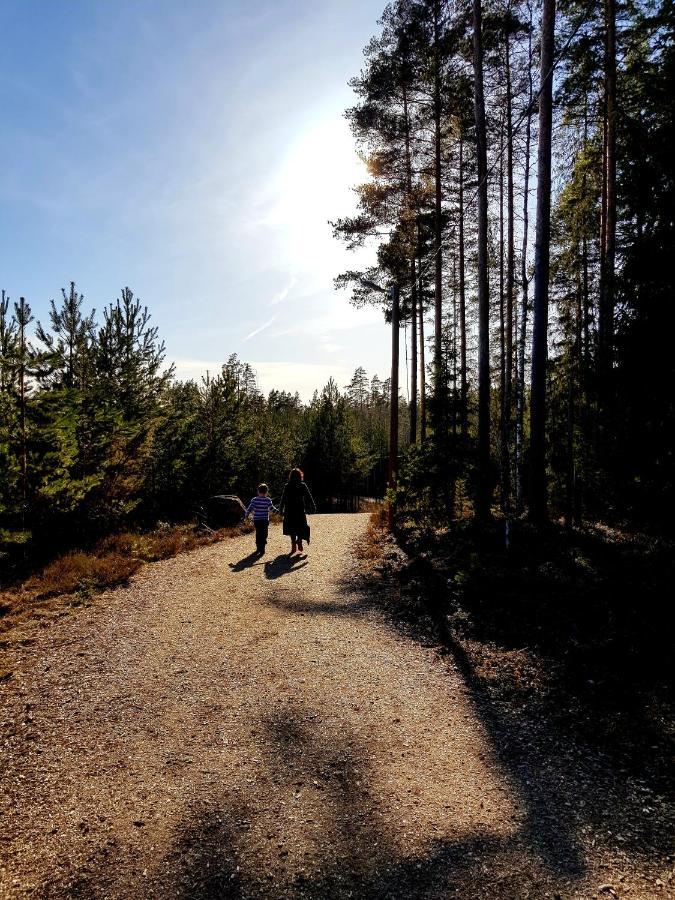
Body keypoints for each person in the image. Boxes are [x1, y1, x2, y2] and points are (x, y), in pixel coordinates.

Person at [279, 468, 316, 554]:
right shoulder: (302, 485)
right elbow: (309, 496)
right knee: (300, 527)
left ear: (290, 476)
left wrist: (281, 509)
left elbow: (283, 498)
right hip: (299, 510)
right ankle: (299, 540)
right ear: (300, 476)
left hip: (289, 510)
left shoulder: (287, 486)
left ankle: (293, 545)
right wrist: (313, 506)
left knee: (291, 528)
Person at [245, 484, 278, 555]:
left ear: (258, 491)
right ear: (266, 492)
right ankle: (262, 548)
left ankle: (258, 548)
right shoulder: (268, 500)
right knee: (264, 534)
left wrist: (246, 515)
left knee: (258, 533)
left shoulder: (254, 500)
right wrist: (279, 512)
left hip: (257, 520)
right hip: (265, 520)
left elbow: (250, 508)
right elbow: (272, 509)